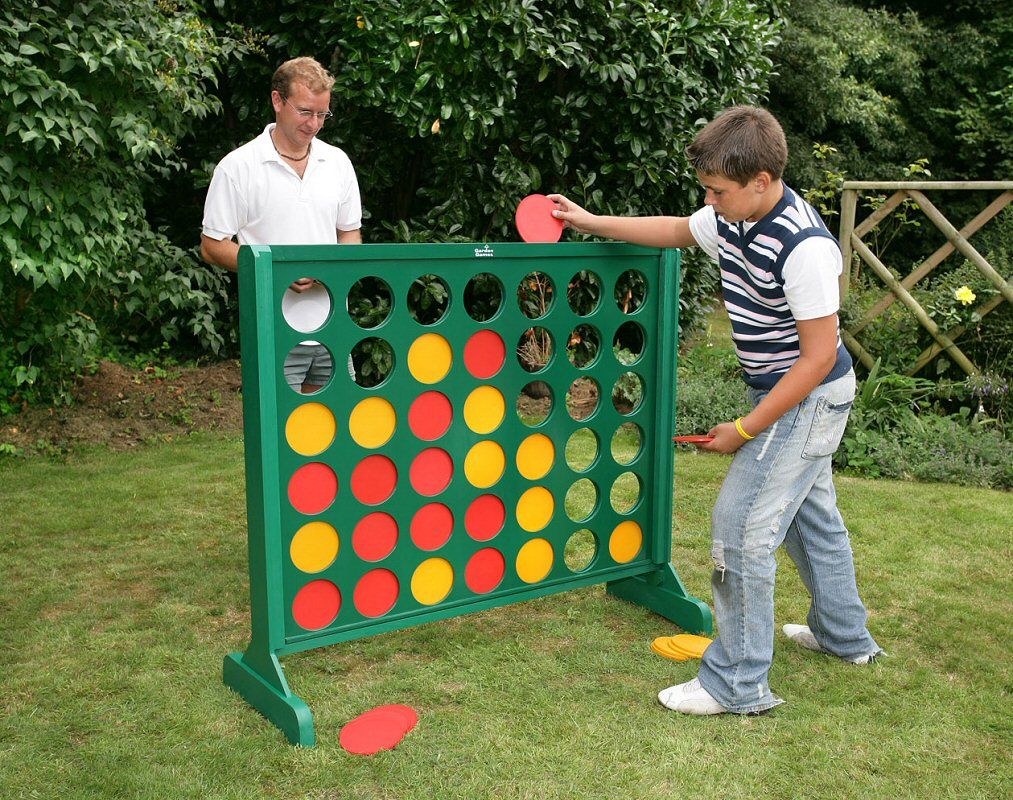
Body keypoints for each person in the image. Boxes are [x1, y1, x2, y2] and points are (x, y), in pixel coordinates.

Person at [549, 105, 883, 716]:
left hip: (805, 398)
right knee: (813, 521)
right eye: (707, 189)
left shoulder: (805, 247)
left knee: (742, 528)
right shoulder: (735, 217)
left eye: (717, 191)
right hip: (785, 396)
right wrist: (589, 220)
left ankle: (736, 684)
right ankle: (845, 638)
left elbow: (815, 360)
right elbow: (676, 229)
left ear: (761, 180)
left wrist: (747, 428)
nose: (709, 201)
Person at [201, 56, 362, 393]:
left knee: (340, 432)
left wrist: (332, 270)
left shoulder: (337, 163)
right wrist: (277, 271)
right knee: (281, 436)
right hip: (273, 331)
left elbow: (349, 233)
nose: (314, 124)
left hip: (335, 327)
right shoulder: (238, 167)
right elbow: (213, 246)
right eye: (305, 111)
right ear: (277, 100)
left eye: (322, 114)